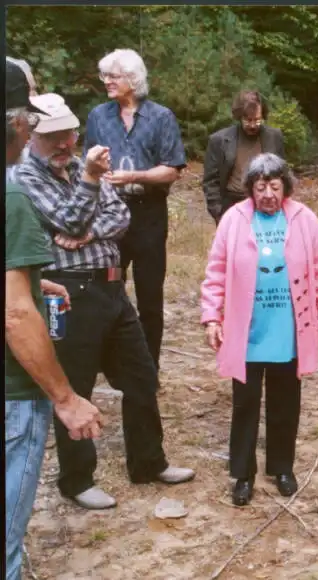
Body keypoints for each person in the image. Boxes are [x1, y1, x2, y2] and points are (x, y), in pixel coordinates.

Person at [15, 93, 195, 511]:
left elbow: (120, 216)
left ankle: (148, 462)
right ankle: (77, 480)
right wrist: (90, 188)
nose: (65, 144)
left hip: (113, 287)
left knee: (142, 376)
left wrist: (88, 231)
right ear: (32, 136)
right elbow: (69, 218)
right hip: (69, 290)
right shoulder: (25, 177)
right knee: (76, 385)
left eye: (69, 134)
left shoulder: (80, 166)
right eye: (54, 137)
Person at [5, 60, 104, 580]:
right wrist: (65, 399)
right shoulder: (13, 192)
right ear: (18, 124)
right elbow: (15, 316)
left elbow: (113, 216)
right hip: (13, 396)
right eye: (31, 111)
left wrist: (29, 277)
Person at [200, 153, 318, 506]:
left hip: (288, 328)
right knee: (245, 405)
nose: (268, 194)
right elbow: (216, 270)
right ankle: (243, 474)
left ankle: (282, 468)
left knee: (285, 402)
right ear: (251, 188)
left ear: (286, 187)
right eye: (261, 187)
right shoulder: (233, 219)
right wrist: (212, 317)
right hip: (247, 329)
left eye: (275, 186)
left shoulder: (304, 219)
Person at [83, 48, 187, 373]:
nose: (107, 81)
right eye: (105, 75)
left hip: (148, 217)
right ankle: (110, 365)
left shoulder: (161, 117)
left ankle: (147, 372)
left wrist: (132, 176)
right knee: (107, 290)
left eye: (113, 76)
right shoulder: (98, 117)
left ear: (133, 79)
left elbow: (171, 169)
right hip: (109, 216)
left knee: (149, 296)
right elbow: (87, 165)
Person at [203, 90, 286, 225]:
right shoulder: (219, 140)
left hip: (267, 204)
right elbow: (210, 181)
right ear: (239, 116)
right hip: (231, 204)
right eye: (248, 120)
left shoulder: (274, 137)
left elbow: (282, 175)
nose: (253, 125)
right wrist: (219, 213)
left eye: (257, 120)